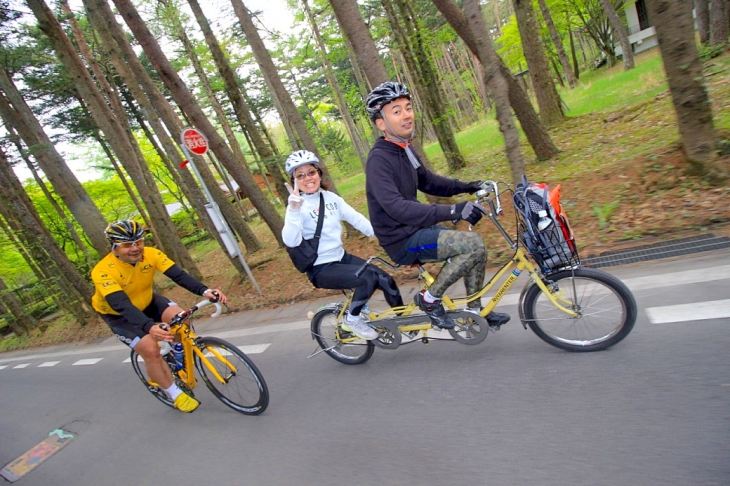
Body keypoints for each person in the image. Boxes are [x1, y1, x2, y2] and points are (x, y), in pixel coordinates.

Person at [364, 81, 510, 330]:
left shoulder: (404, 148)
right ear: (381, 122)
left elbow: (429, 182)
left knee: (476, 248)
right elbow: (397, 207)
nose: (406, 115)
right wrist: (453, 211)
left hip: (415, 230)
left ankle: (476, 312)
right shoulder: (379, 160)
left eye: (408, 108)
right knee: (473, 245)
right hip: (401, 240)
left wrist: (468, 186)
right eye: (396, 111)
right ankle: (429, 300)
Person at [91, 220, 228, 413]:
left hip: (148, 301)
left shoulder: (151, 254)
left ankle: (178, 353)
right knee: (150, 350)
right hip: (119, 314)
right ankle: (174, 393)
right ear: (114, 247)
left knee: (182, 318)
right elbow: (121, 304)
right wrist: (149, 327)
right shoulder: (103, 270)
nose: (135, 248)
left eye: (138, 242)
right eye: (126, 245)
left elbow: (178, 275)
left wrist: (204, 291)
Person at [282, 150, 404, 340]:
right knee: (367, 279)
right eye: (300, 175)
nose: (307, 178)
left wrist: (387, 237)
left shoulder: (331, 198)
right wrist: (294, 209)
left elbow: (357, 220)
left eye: (311, 172)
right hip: (320, 268)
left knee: (386, 279)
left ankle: (404, 321)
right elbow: (290, 241)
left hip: (341, 258)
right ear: (294, 181)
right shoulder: (297, 206)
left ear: (319, 173)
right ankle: (352, 319)